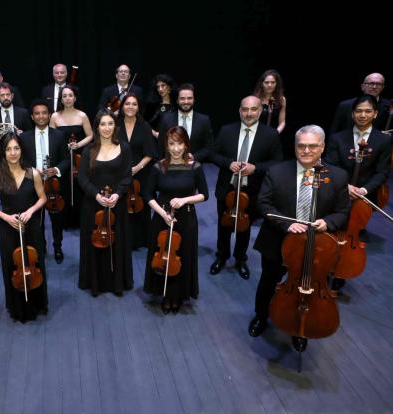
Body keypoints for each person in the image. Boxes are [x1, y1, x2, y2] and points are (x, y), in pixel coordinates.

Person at [249, 125, 350, 352]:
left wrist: (328, 222)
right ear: (295, 146)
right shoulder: (276, 171)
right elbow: (263, 204)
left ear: (322, 147)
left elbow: (343, 211)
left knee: (306, 287)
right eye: (301, 146)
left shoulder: (337, 176)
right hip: (277, 240)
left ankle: (299, 327)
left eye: (312, 146)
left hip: (316, 246)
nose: (306, 150)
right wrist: (286, 224)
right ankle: (261, 316)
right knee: (268, 281)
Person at [209, 96, 282, 279]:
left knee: (244, 227)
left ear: (260, 111)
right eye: (245, 109)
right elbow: (213, 154)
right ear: (240, 111)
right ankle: (222, 255)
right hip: (227, 187)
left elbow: (277, 162)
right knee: (223, 225)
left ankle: (240, 258)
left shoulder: (270, 134)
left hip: (252, 191)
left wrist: (255, 168)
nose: (249, 113)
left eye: (253, 109)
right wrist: (228, 163)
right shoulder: (226, 130)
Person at [325, 94, 392, 290]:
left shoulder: (383, 140)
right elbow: (330, 164)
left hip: (363, 197)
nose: (363, 115)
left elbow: (382, 172)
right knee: (330, 231)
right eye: (359, 111)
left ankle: (341, 271)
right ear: (352, 114)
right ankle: (324, 265)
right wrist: (345, 186)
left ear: (375, 114)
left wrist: (363, 190)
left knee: (351, 234)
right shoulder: (338, 137)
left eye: (368, 111)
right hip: (338, 192)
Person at [143, 126, 208, 313]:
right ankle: (164, 295)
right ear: (166, 145)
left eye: (180, 144)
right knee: (163, 256)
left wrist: (185, 199)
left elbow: (204, 195)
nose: (176, 148)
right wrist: (162, 214)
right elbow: (147, 194)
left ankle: (178, 295)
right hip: (162, 218)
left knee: (183, 256)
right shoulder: (159, 167)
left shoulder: (195, 167)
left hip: (186, 219)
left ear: (186, 144)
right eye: (172, 144)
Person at [0, 132, 48, 323]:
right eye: (8, 149)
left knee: (35, 264)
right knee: (12, 267)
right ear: (3, 152)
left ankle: (37, 304)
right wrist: (5, 217)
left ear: (22, 150)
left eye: (16, 148)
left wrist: (31, 211)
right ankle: (17, 307)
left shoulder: (33, 173)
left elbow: (43, 198)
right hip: (9, 227)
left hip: (31, 226)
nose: (13, 153)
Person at [78, 110, 133, 297]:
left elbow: (127, 176)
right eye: (103, 124)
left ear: (115, 126)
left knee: (117, 243)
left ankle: (117, 283)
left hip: (116, 204)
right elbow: (82, 178)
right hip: (93, 205)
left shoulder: (124, 148)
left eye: (110, 124)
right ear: (97, 127)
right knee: (94, 243)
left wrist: (117, 195)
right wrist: (96, 195)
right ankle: (96, 284)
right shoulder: (89, 150)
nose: (107, 128)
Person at [20, 100, 69, 263]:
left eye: (44, 113)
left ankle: (57, 246)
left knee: (57, 219)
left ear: (49, 115)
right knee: (36, 219)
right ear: (32, 117)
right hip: (32, 184)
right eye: (37, 113)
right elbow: (21, 161)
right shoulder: (24, 137)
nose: (41, 116)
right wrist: (32, 172)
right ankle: (40, 245)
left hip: (54, 185)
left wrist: (56, 169)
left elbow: (67, 159)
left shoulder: (59, 135)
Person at [49, 84, 93, 228]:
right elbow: (51, 137)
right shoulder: (55, 116)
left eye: (70, 95)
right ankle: (65, 221)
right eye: (64, 96)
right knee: (63, 188)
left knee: (80, 187)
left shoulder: (82, 115)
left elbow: (90, 135)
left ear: (75, 98)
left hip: (79, 157)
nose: (67, 98)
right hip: (62, 157)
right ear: (61, 99)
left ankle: (80, 220)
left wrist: (78, 145)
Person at [116, 94, 157, 249]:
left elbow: (150, 153)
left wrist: (137, 168)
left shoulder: (144, 126)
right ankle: (123, 238)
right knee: (121, 205)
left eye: (134, 104)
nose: (131, 107)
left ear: (138, 107)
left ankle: (140, 239)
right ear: (122, 107)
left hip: (141, 172)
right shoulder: (115, 125)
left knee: (141, 207)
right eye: (127, 104)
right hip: (119, 172)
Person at [157, 83, 214, 162]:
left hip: (195, 165)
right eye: (182, 98)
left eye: (189, 98)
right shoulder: (166, 119)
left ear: (194, 100)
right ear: (177, 101)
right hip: (171, 166)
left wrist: (194, 157)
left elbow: (209, 147)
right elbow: (160, 146)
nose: (186, 102)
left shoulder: (204, 120)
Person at [0, 83, 32, 171]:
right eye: (2, 95)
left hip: (20, 157)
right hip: (1, 159)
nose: (5, 97)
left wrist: (23, 135)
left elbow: (31, 133)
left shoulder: (23, 113)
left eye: (7, 94)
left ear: (12, 96)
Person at [253, 69, 287, 134]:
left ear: (276, 84)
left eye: (272, 82)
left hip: (273, 134)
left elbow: (282, 122)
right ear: (262, 84)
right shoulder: (255, 99)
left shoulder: (281, 100)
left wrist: (275, 133)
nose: (269, 85)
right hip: (256, 134)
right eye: (266, 82)